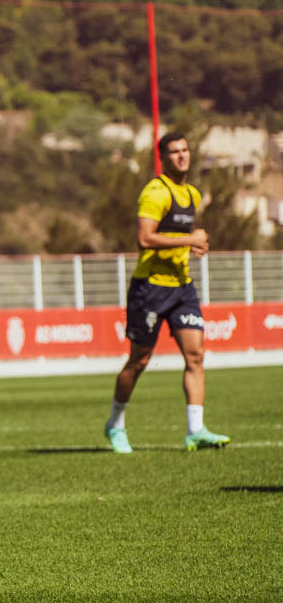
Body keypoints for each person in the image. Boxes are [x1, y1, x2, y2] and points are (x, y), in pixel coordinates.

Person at [104, 133, 229, 454]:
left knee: (195, 355)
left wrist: (195, 246)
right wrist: (189, 240)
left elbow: (179, 236)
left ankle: (195, 430)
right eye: (174, 152)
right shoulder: (155, 192)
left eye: (185, 150)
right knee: (139, 360)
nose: (182, 156)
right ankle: (115, 423)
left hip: (182, 286)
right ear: (163, 158)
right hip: (150, 288)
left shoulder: (192, 194)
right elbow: (145, 239)